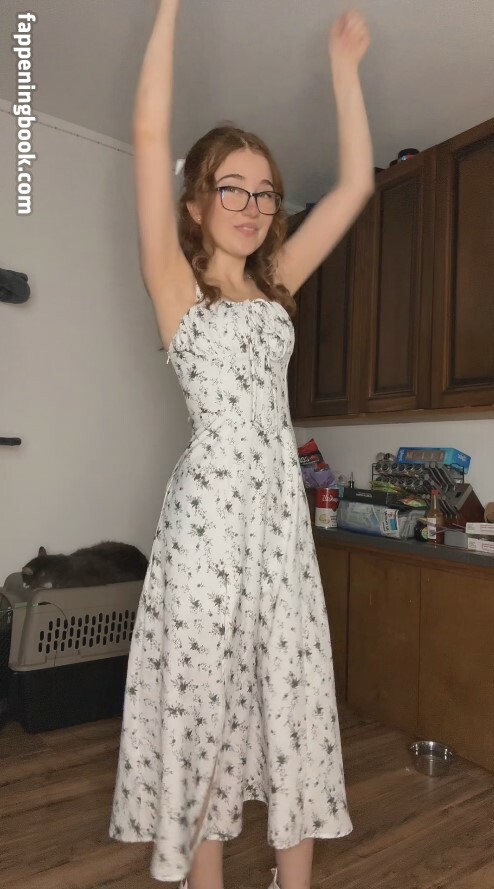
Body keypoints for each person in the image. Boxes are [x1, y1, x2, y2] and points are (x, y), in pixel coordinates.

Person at [109, 2, 373, 888]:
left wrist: (344, 73)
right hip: (209, 534)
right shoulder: (175, 288)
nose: (253, 206)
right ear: (195, 203)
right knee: (206, 716)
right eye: (232, 188)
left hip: (281, 534)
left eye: (264, 192)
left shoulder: (278, 286)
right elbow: (148, 133)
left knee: (295, 705)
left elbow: (355, 186)